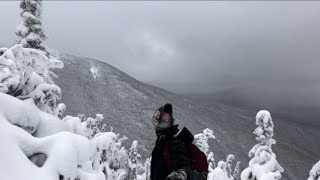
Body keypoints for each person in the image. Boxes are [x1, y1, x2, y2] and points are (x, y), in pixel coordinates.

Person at [150, 103, 202, 180]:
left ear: (169, 124)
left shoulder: (176, 142)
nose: (157, 126)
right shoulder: (161, 142)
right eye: (156, 123)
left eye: (161, 124)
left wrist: (181, 174)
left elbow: (182, 161)